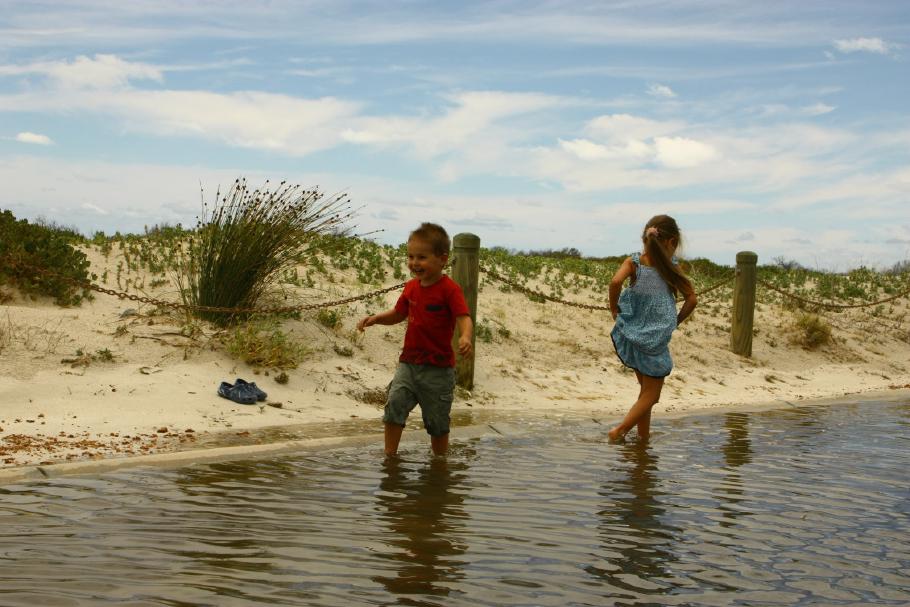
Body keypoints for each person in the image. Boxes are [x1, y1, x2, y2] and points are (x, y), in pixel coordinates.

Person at [357, 223, 474, 456]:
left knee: (437, 421)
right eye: (411, 257)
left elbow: (464, 317)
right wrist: (376, 319)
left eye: (422, 257)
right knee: (394, 406)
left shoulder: (449, 289)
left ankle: (439, 463)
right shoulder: (411, 287)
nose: (414, 263)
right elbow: (398, 314)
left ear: (442, 259)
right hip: (408, 364)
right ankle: (390, 456)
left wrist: (466, 337)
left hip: (438, 370)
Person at [608, 215, 697, 442]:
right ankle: (619, 431)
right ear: (672, 242)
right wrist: (675, 321)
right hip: (655, 342)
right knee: (653, 395)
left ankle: (643, 439)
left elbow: (615, 282)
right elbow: (691, 299)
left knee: (645, 393)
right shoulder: (670, 267)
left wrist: (614, 309)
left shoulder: (634, 263)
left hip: (633, 334)